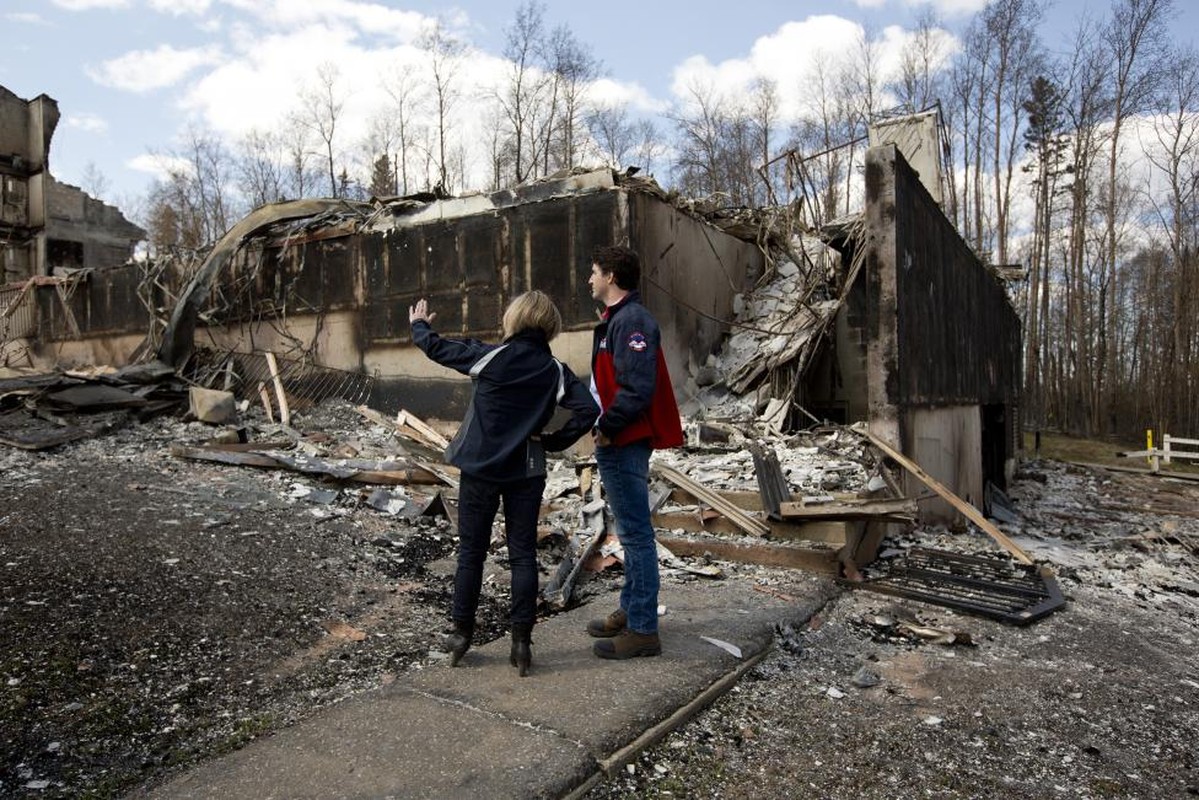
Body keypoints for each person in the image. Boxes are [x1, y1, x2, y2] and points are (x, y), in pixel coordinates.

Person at [409, 291, 599, 676]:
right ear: (549, 326)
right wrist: (553, 442)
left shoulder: (489, 356)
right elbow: (588, 410)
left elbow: (438, 349)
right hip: (526, 471)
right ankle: (521, 643)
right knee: (522, 556)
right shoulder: (554, 370)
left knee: (471, 554)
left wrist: (419, 325)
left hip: (479, 468)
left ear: (515, 319)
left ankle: (461, 635)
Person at [585, 245, 684, 660]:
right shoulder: (616, 322)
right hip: (617, 439)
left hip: (623, 440)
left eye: (593, 272)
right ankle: (631, 609)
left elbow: (638, 389)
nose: (589, 279)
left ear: (610, 276)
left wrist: (606, 427)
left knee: (637, 535)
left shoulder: (633, 322)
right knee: (628, 531)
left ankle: (643, 630)